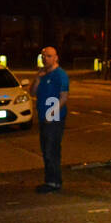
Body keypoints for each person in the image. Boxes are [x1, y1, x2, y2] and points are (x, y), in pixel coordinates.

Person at [32, 46, 69, 193]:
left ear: (56, 58)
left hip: (54, 118)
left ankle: (54, 182)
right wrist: (37, 79)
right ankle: (50, 180)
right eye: (43, 56)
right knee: (46, 149)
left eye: (48, 56)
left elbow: (63, 98)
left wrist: (51, 115)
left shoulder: (60, 75)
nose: (45, 59)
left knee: (51, 150)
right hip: (44, 117)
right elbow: (33, 92)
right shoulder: (43, 74)